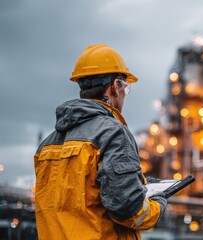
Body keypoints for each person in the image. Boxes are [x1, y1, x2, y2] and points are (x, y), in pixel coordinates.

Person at [34, 44, 167, 239]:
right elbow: (128, 209)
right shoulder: (113, 134)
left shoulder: (46, 145)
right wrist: (157, 205)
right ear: (115, 86)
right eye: (125, 87)